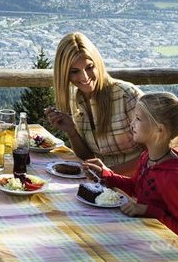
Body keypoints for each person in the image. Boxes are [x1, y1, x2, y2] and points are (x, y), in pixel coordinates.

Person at [83, 92, 178, 246]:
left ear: (160, 130)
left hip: (165, 253)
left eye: (138, 119)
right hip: (145, 238)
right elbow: (137, 187)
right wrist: (106, 175)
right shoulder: (147, 158)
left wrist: (147, 210)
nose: (131, 124)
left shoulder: (175, 177)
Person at [45, 31, 144, 174]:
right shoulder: (76, 99)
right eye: (75, 71)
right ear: (64, 73)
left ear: (98, 63)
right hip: (103, 184)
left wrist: (109, 174)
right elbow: (88, 158)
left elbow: (157, 154)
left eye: (89, 67)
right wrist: (72, 131)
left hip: (138, 183)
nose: (84, 77)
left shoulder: (127, 96)